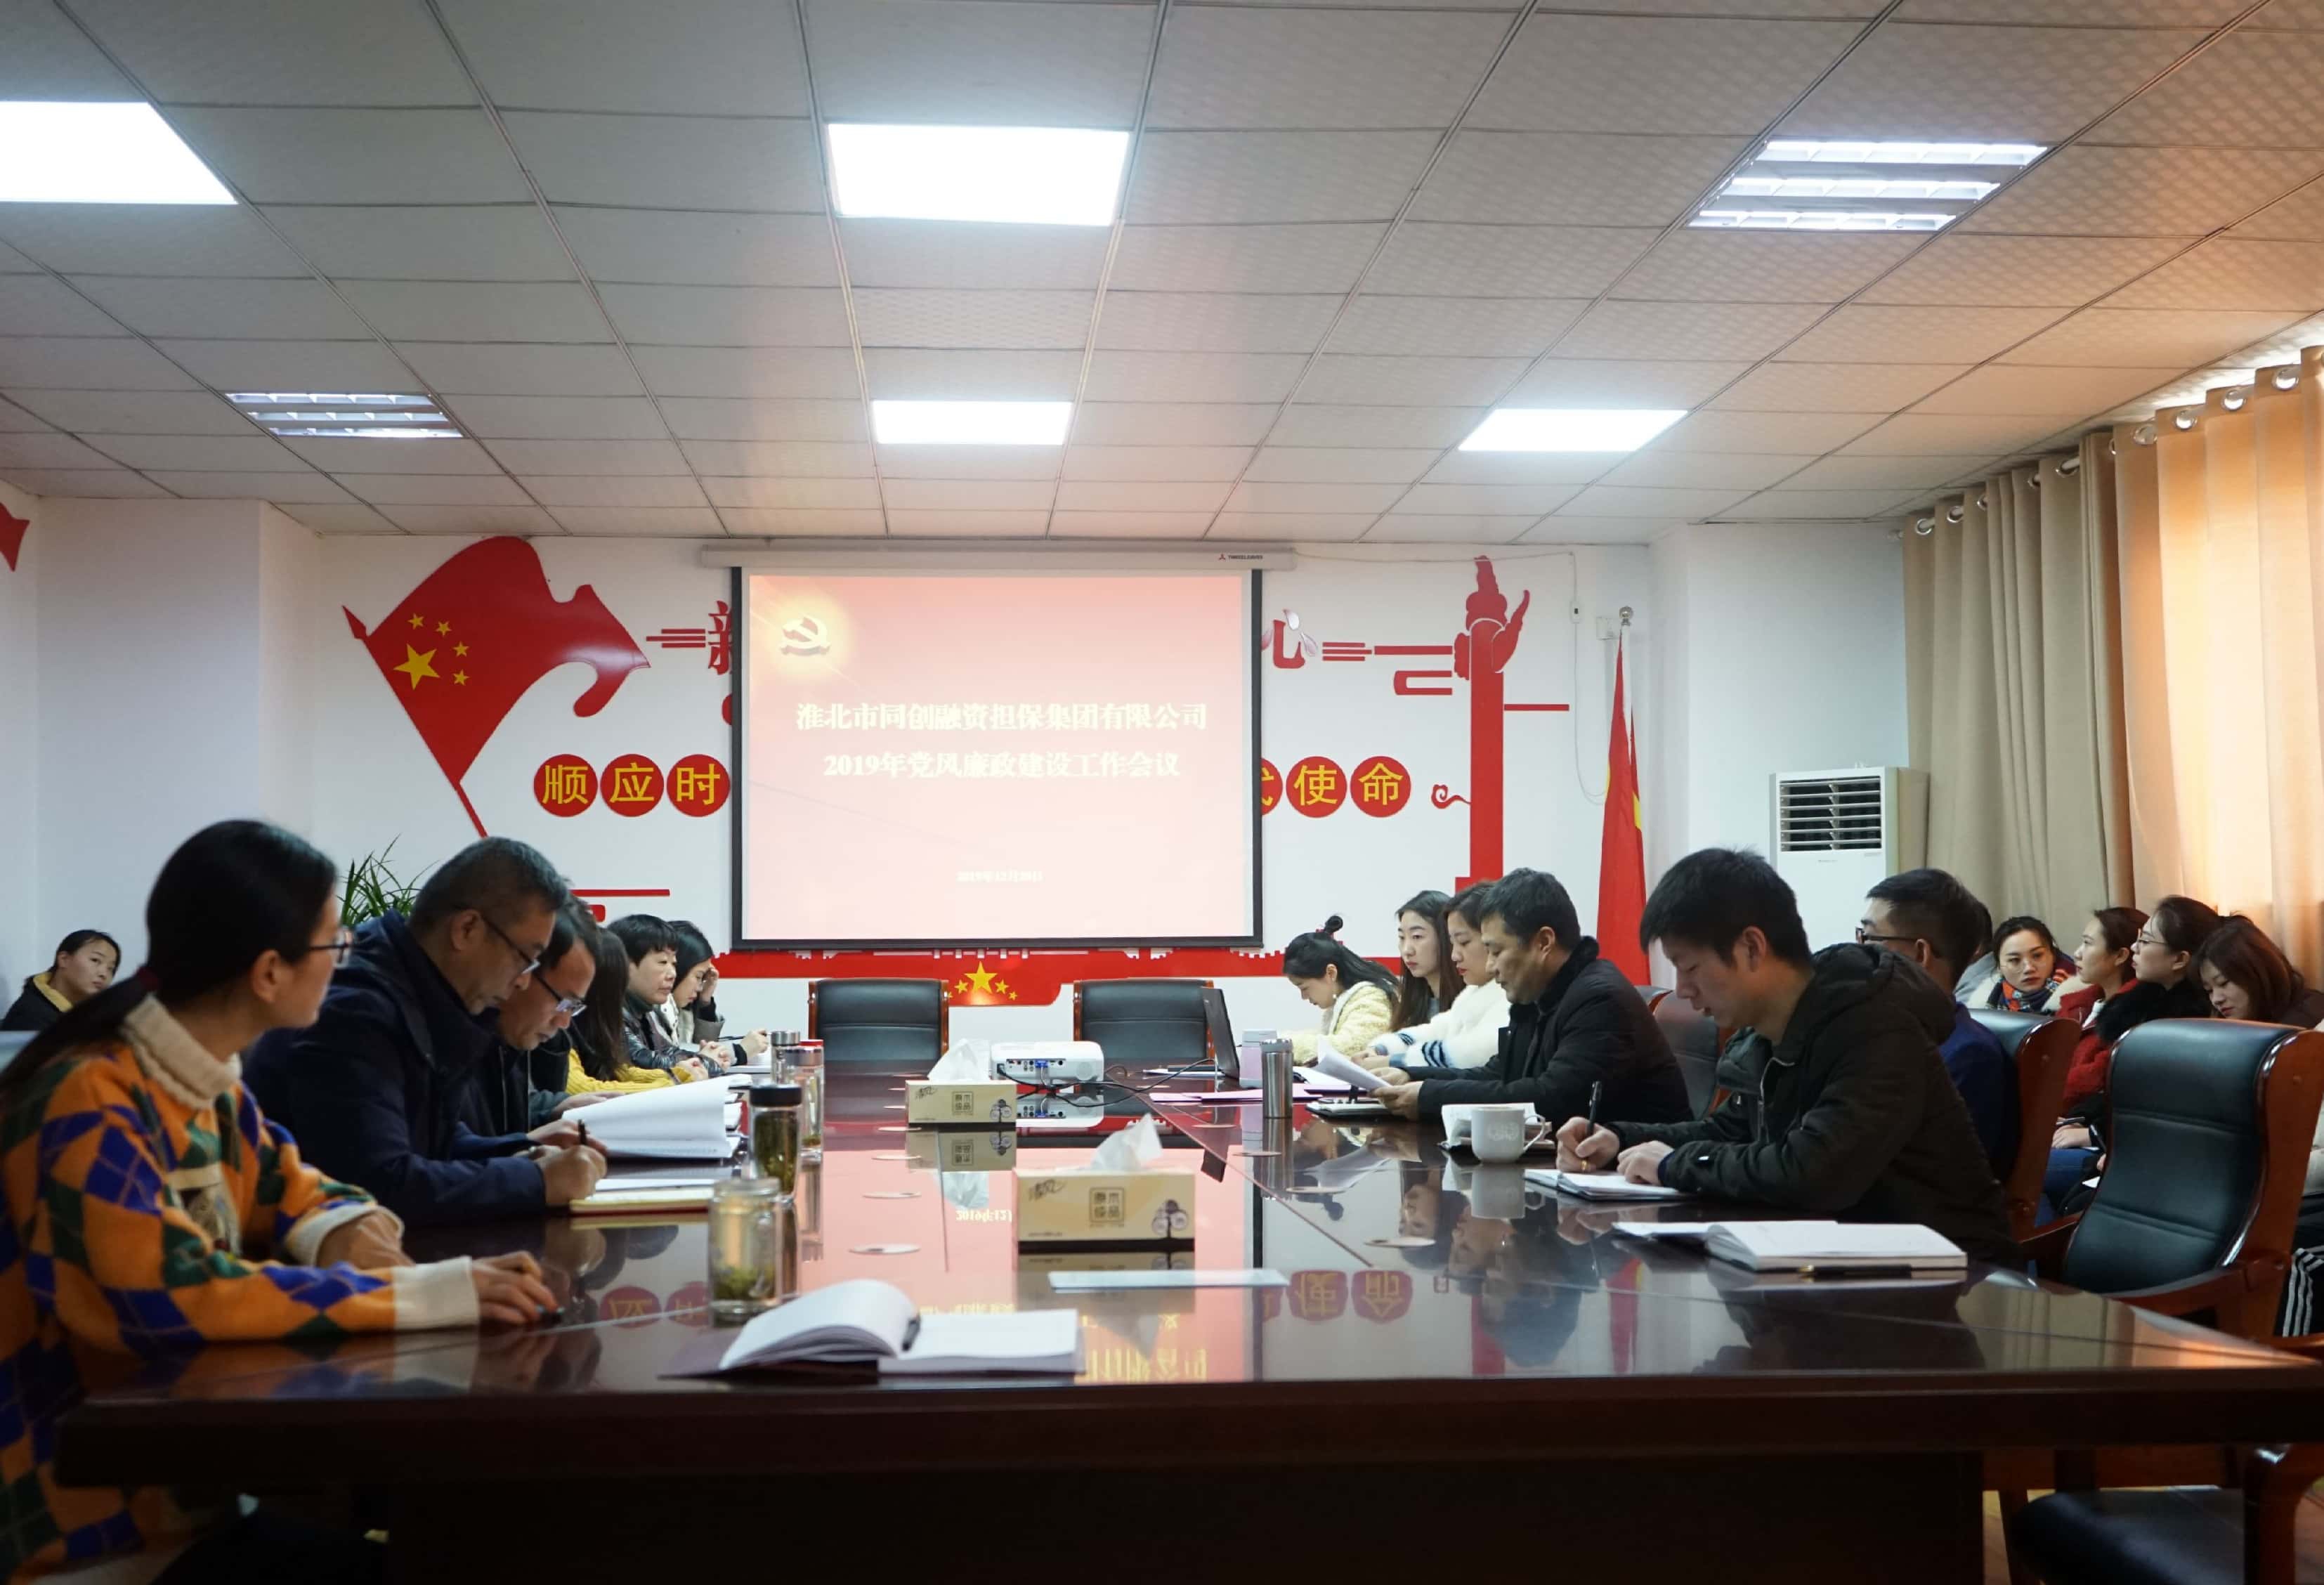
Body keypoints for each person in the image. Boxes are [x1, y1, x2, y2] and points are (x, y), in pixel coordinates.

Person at [0, 820, 556, 1583]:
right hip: (87, 1535)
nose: (346, 959)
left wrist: (347, 1226)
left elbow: (295, 1186)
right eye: (334, 944)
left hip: (185, 1501)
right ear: (269, 971)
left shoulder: (204, 1083)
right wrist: (420, 1295)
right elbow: (170, 1294)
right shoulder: (88, 1095)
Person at [1555, 848, 2017, 1265]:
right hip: (1830, 1261)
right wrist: (1620, 1138)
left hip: (1954, 1280)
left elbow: (1814, 1173)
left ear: (1751, 948)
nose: (1682, 989)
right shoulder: (1770, 1030)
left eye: (1690, 967)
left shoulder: (1875, 1024)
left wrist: (1674, 1163)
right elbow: (1729, 1132)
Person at [244, 837, 607, 1226]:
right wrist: (536, 1180)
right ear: (467, 929)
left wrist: (522, 1149)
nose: (522, 981)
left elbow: (433, 1141)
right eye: (525, 959)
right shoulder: (356, 1011)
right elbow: (376, 1185)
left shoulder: (421, 993)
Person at [1373, 869, 1690, 1126]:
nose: (1490, 966)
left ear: (1543, 943)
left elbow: (1552, 1100)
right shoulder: (1537, 995)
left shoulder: (1599, 1000)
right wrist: (1413, 1076)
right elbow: (1500, 1073)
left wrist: (1429, 1097)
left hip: (1635, 1173)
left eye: (1497, 951)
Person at [2046, 895, 2221, 1218]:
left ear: (2180, 959)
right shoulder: (2140, 1005)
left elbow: (2162, 1103)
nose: (2135, 948)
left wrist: (2095, 1132)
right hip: (2115, 1139)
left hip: (2145, 1154)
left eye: (2146, 940)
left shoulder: (2189, 1023)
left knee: (2026, 1169)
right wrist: (2079, 1119)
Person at [1859, 869, 2018, 1170]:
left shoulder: (1968, 1055)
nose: (1859, 951)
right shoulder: (1885, 1036)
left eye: (1870, 938)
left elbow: (1934, 1176)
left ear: (1920, 954)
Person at [476, 899, 607, 1133]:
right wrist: (526, 1147)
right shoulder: (451, 1039)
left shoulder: (511, 1040)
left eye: (573, 1006)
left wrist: (554, 1111)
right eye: (563, 1002)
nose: (564, 1022)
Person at [1365, 883, 1510, 1071]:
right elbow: (1437, 1030)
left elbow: (1474, 1051)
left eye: (1464, 942)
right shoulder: (1471, 995)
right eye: (1402, 938)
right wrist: (1382, 1048)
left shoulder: (1511, 995)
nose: (1455, 955)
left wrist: (1397, 1062)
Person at [569, 930, 710, 1094]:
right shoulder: (575, 1016)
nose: (672, 974)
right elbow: (582, 1088)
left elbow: (620, 1071)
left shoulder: (640, 1011)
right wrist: (674, 1080)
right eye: (663, 962)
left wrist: (680, 1074)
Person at [608, 914, 729, 1077]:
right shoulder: (608, 1009)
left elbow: (668, 1051)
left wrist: (708, 1059)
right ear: (624, 962)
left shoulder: (643, 1009)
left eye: (674, 964)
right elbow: (644, 1062)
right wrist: (706, 1062)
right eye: (663, 962)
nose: (672, 974)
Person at [1281, 915, 1397, 1064]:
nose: (1304, 997)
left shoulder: (1373, 998)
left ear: (1331, 973)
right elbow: (1325, 1036)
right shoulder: (1346, 999)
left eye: (1304, 988)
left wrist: (1284, 1045)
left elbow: (1349, 1048)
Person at [662, 920, 768, 1067]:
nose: (699, 987)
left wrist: (705, 1004)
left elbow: (701, 1049)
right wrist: (739, 1052)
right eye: (698, 977)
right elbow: (676, 1057)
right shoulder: (652, 1011)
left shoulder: (679, 1009)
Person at [2192, 916, 2324, 1027]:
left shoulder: (2304, 1021)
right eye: (2209, 990)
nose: (2216, 1000)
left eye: (2223, 983)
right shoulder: (2247, 1022)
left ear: (2257, 972)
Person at [2, 928, 120, 1032]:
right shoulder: (30, 1017)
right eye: (95, 960)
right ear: (64, 959)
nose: (104, 974)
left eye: (111, 968)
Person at [1965, 915, 2082, 1014]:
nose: (2028, 968)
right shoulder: (1982, 1009)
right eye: (2015, 960)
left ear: (2053, 956)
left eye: (2037, 956)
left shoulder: (2082, 1002)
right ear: (2000, 967)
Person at [1388, 890, 1461, 1031]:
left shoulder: (1469, 1005)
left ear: (1446, 937)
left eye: (1417, 937)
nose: (1407, 950)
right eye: (1402, 938)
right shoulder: (1410, 1008)